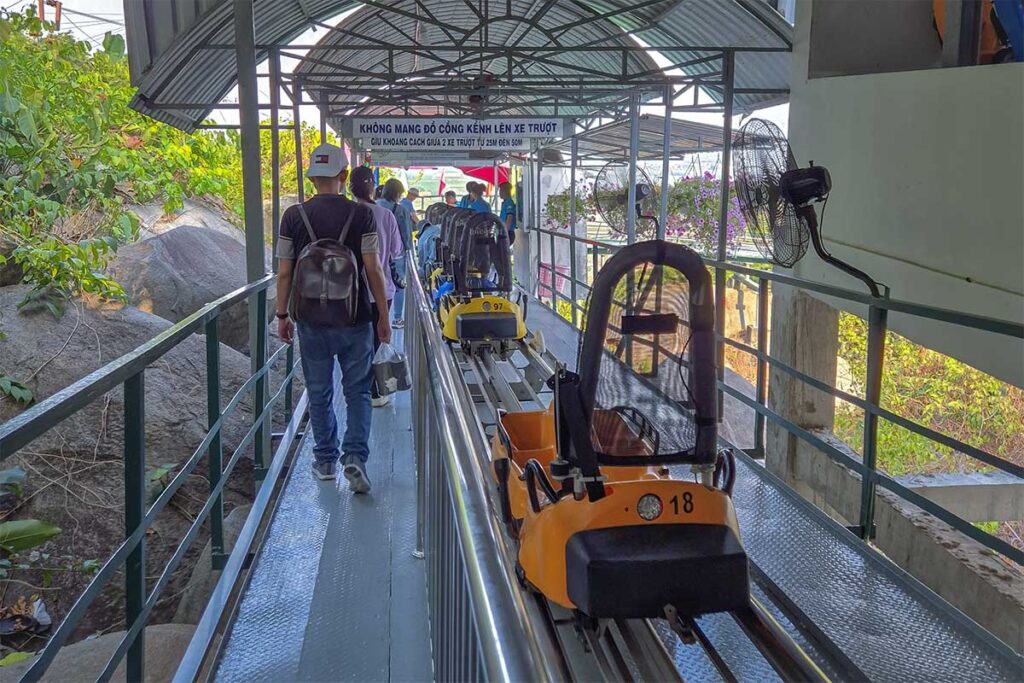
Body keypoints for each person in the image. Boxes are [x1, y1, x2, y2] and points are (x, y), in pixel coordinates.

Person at [275, 143, 390, 492]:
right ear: (343, 177)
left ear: (312, 177)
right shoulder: (362, 214)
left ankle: (324, 460)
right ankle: (355, 458)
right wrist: (382, 316)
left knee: (319, 390)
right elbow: (372, 269)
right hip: (355, 318)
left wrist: (282, 314)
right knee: (356, 391)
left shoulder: (293, 216)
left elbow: (283, 272)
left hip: (310, 319)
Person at [350, 166, 403, 408]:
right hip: (382, 289)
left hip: (351, 291)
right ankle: (376, 391)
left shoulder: (347, 214)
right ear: (372, 187)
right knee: (377, 340)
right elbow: (396, 251)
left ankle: (358, 390)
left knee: (357, 342)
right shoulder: (386, 216)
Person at [377, 178, 414, 329]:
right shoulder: (400, 211)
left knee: (377, 282)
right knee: (399, 285)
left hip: (375, 252)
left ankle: (379, 315)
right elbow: (406, 234)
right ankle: (397, 318)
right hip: (396, 254)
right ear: (397, 193)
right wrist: (409, 252)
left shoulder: (374, 206)